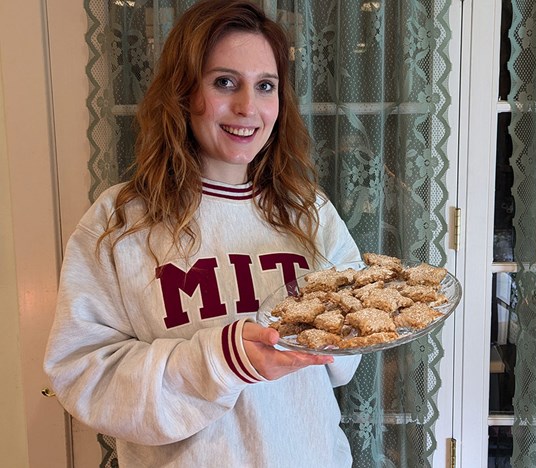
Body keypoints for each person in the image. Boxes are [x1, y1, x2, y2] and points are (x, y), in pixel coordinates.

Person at [43, 1, 362, 466]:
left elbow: (342, 361)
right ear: (183, 91)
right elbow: (85, 375)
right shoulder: (121, 220)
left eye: (265, 86)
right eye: (224, 82)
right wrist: (222, 360)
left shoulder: (310, 211)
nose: (247, 107)